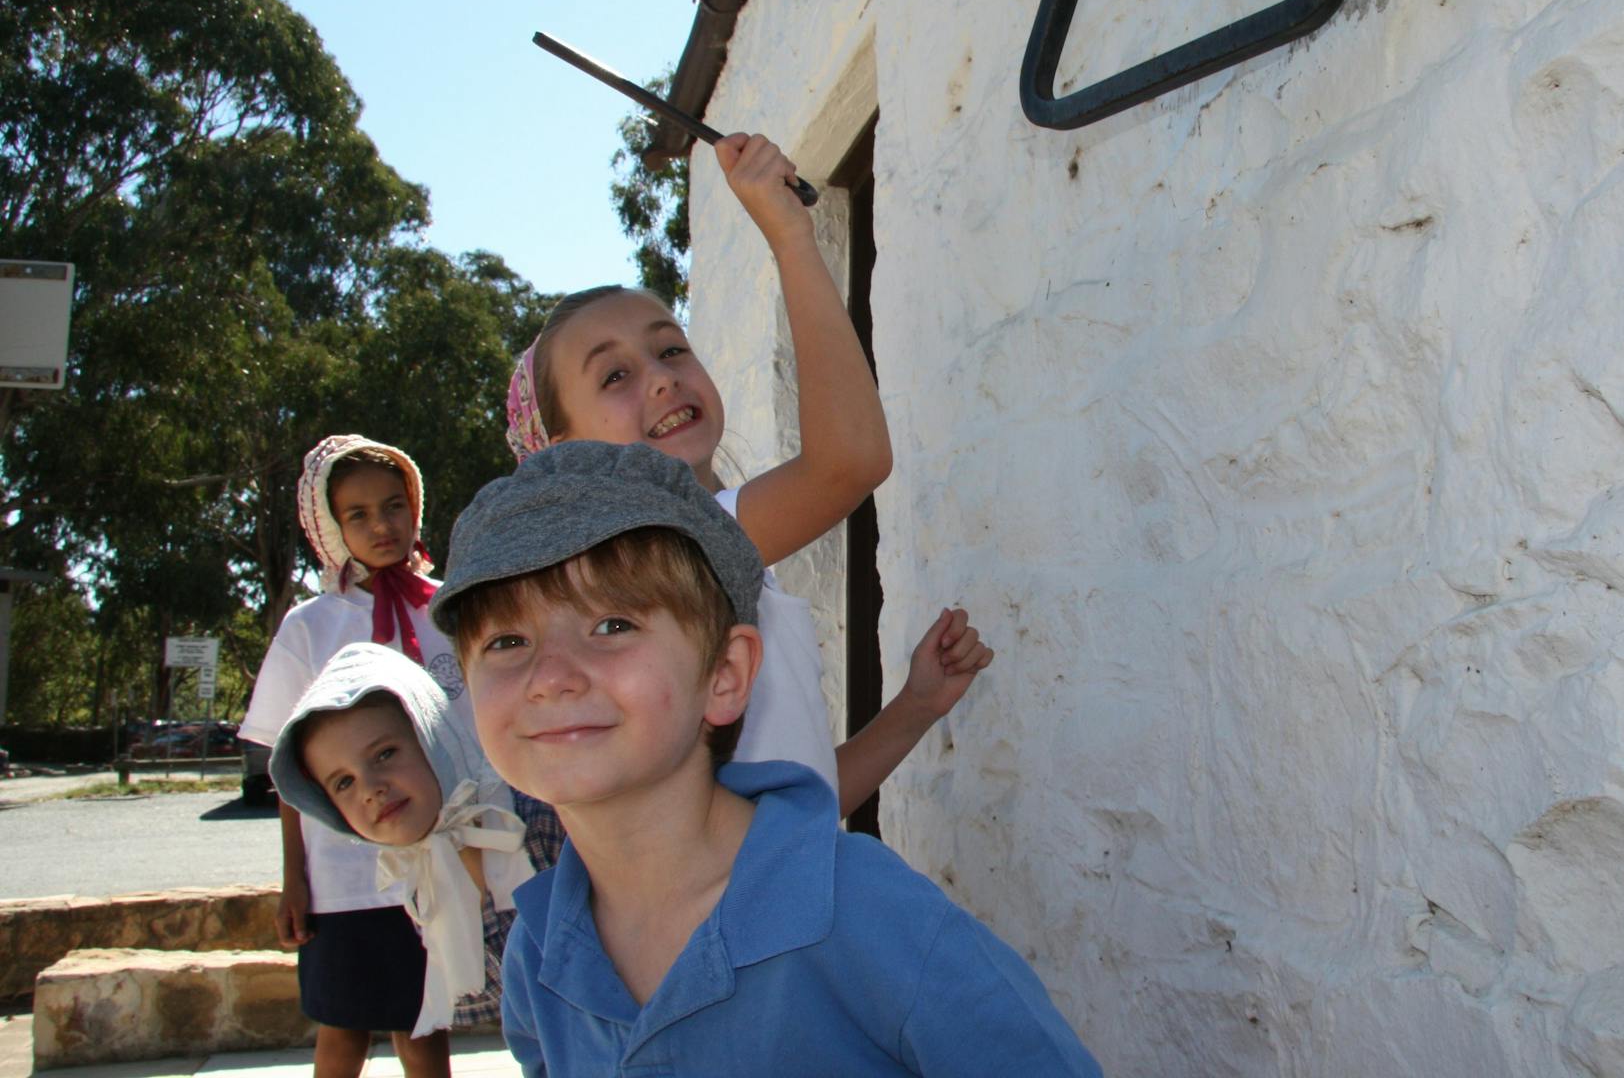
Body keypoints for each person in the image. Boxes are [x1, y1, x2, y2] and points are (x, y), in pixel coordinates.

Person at [431, 441, 1100, 1075]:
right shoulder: (539, 955)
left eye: (612, 625)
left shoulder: (868, 913)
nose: (551, 675)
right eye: (507, 642)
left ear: (725, 674)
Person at [503, 131, 986, 860]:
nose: (661, 377)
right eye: (613, 377)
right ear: (563, 452)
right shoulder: (671, 548)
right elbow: (850, 460)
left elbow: (802, 805)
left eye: (670, 348)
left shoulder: (723, 556)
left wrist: (915, 707)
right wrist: (791, 235)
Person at [238, 436, 490, 1078]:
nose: (381, 526)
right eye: (357, 514)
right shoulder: (310, 627)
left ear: (415, 507)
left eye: (393, 505)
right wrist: (295, 878)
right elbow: (287, 769)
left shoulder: (455, 609)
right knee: (343, 1029)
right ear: (330, 526)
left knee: (425, 1026)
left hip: (438, 867)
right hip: (343, 881)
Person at [268, 641, 535, 1040]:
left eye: (384, 754)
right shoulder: (418, 873)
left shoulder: (532, 825)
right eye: (344, 782)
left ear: (432, 732)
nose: (371, 789)